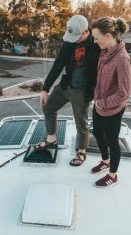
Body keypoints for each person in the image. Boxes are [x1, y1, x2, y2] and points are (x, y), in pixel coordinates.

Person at [35, 15, 101, 166]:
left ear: (86, 32)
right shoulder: (69, 43)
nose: (73, 39)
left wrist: (98, 94)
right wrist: (45, 89)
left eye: (76, 36)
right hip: (66, 86)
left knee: (81, 124)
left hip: (83, 91)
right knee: (48, 107)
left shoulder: (97, 43)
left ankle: (82, 151)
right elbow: (58, 65)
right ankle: (51, 140)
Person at [91, 16, 131, 187]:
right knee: (98, 133)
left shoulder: (122, 58)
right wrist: (98, 100)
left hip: (113, 109)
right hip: (100, 103)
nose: (94, 41)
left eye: (97, 37)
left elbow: (124, 93)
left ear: (108, 36)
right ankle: (105, 161)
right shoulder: (105, 51)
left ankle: (113, 175)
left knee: (112, 140)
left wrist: (103, 103)